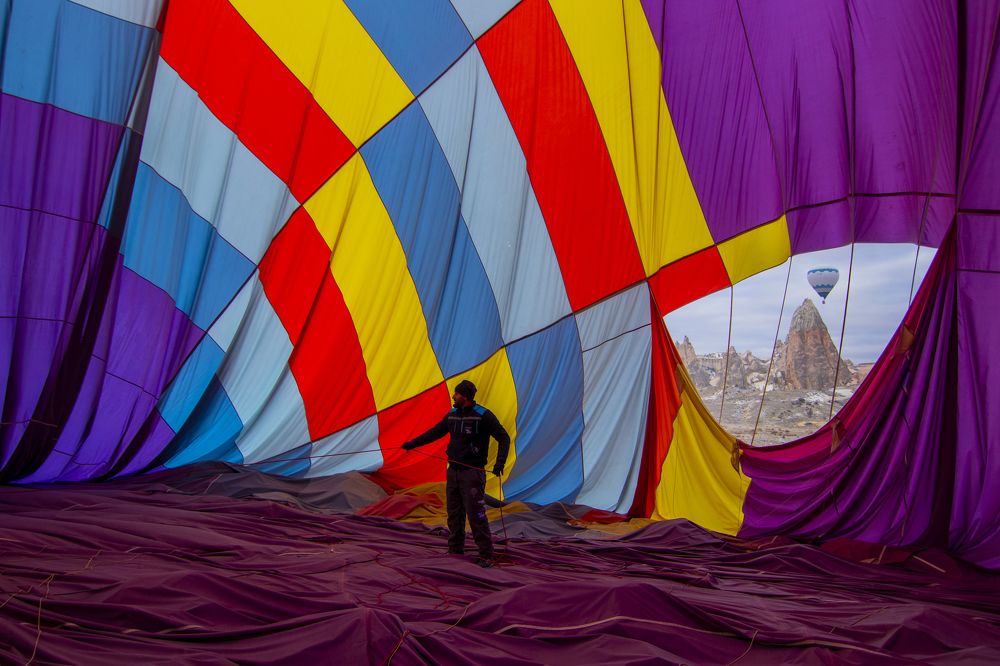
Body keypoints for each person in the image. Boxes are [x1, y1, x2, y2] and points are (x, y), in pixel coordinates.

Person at [401, 380, 510, 567]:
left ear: (465, 397)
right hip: (453, 472)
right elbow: (434, 433)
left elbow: (503, 437)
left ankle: (486, 554)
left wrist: (500, 463)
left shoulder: (483, 415)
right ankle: (455, 550)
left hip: (472, 475)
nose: (453, 396)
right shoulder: (452, 415)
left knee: (476, 514)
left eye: (456, 394)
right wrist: (412, 444)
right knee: (454, 513)